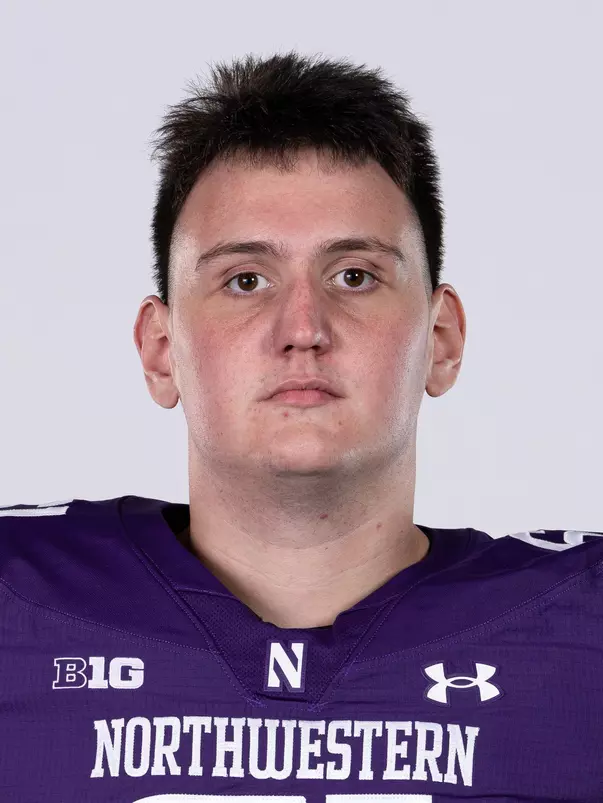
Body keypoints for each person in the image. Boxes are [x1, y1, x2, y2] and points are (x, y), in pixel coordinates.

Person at [0, 52, 601, 802]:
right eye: (244, 279)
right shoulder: (18, 601)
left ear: (440, 340)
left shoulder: (580, 629)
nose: (303, 328)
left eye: (354, 274)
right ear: (161, 351)